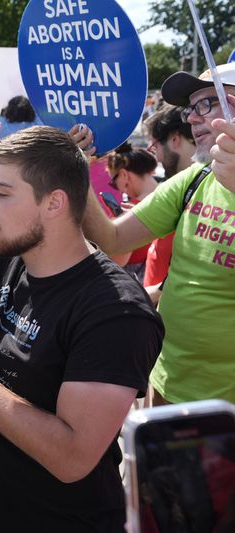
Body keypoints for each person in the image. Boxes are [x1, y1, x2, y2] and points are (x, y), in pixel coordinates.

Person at [0, 58, 164, 531]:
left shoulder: (115, 312)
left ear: (54, 203)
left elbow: (72, 457)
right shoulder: (8, 244)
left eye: (1, 193)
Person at [79, 63, 235, 405]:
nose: (191, 119)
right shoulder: (196, 177)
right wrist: (78, 168)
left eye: (206, 104)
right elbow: (113, 239)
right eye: (190, 108)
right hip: (167, 385)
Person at [140, 104, 196, 303]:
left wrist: (136, 297)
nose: (157, 157)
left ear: (174, 139)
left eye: (155, 147)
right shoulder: (175, 192)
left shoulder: (198, 194)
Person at [105, 143, 159, 280]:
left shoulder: (129, 211)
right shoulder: (174, 199)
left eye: (113, 181)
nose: (116, 188)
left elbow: (117, 260)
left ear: (124, 175)